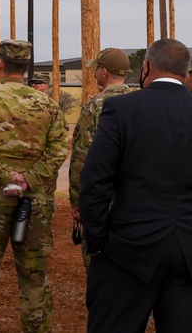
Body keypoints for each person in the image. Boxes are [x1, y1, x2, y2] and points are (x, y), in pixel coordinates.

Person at [79, 38, 192, 333]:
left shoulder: (120, 110)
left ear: (145, 67)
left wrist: (99, 241)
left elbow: (94, 183)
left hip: (128, 247)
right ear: (186, 74)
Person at [0, 39, 69, 332]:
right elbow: (59, 148)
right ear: (25, 67)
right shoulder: (47, 104)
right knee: (35, 276)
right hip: (34, 202)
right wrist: (29, 178)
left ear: (0, 63)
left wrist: (2, 175)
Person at [68, 47, 134, 269]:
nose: (94, 72)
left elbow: (81, 157)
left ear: (104, 72)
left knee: (99, 264)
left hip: (102, 201)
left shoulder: (95, 106)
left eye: (96, 68)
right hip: (136, 201)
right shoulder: (141, 102)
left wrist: (77, 202)